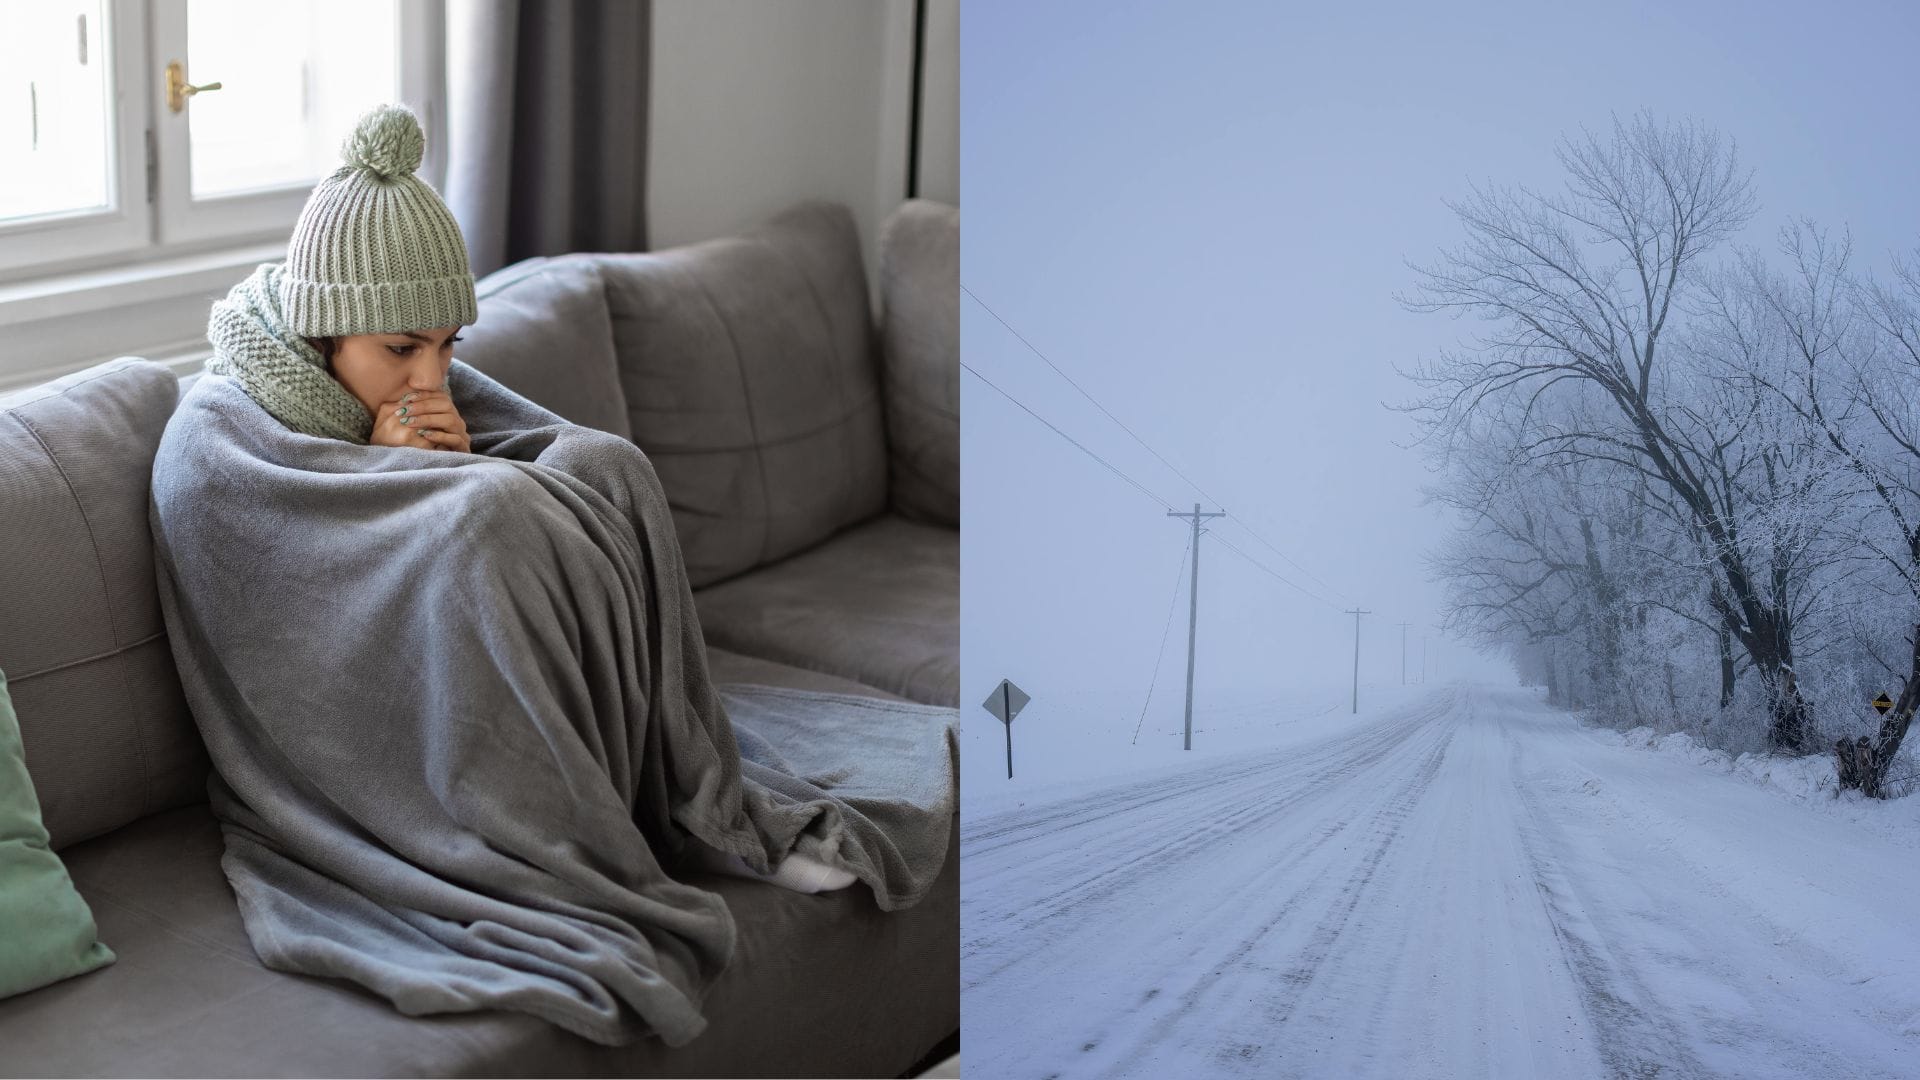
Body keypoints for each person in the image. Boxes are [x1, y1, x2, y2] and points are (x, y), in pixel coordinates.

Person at [202, 101, 851, 895]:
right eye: (401, 349)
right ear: (319, 334)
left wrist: (442, 465)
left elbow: (533, 447)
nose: (431, 380)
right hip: (360, 735)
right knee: (487, 515)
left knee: (606, 462)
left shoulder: (403, 379)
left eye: (447, 346)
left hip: (462, 518)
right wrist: (401, 477)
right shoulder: (220, 433)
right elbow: (292, 584)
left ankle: (688, 797)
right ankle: (577, 828)